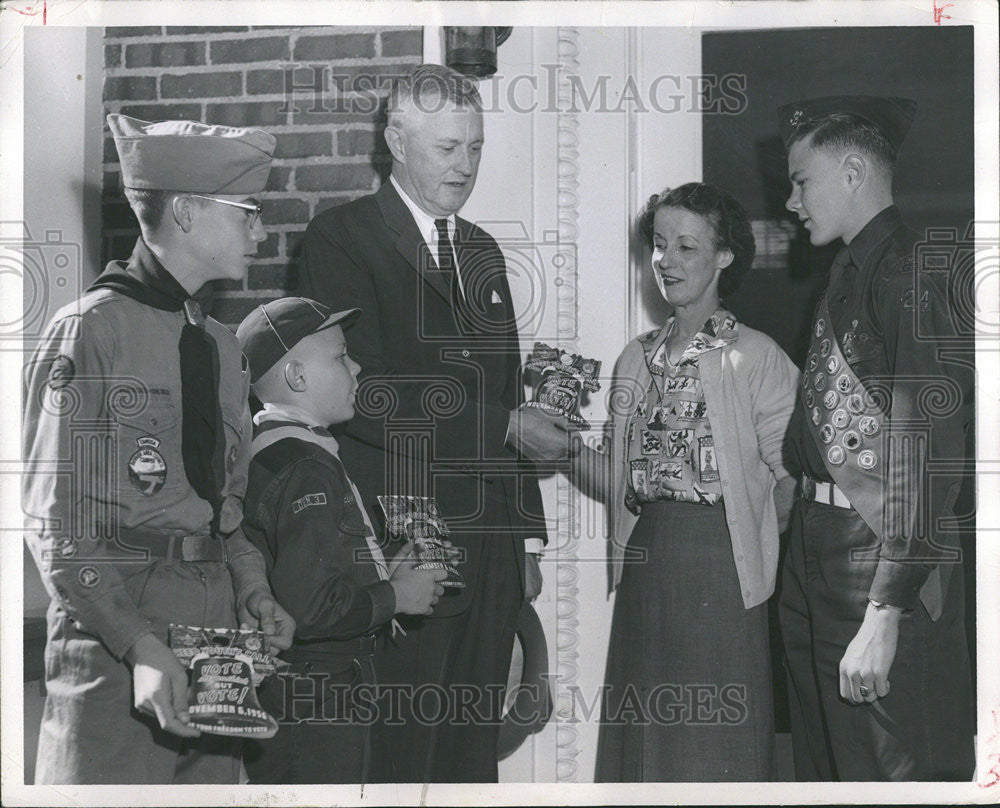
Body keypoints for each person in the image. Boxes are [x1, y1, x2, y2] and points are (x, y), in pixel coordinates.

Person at [297, 63, 565, 782]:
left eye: (476, 148)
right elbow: (367, 395)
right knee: (399, 760)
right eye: (448, 149)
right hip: (403, 547)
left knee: (472, 763)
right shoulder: (339, 240)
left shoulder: (480, 249)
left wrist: (524, 542)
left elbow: (506, 385)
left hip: (492, 556)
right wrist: (505, 427)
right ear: (395, 141)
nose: (466, 166)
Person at [22, 114, 296, 784]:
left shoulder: (223, 348)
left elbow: (222, 514)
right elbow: (57, 526)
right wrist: (138, 645)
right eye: (247, 212)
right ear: (188, 211)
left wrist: (256, 593)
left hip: (216, 646)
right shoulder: (91, 332)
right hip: (117, 646)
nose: (259, 231)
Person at [523, 182, 799, 781]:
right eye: (658, 244)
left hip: (722, 571)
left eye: (686, 247)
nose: (666, 261)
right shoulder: (634, 358)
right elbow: (619, 481)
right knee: (648, 747)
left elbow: (791, 477)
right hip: (647, 563)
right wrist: (565, 448)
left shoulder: (757, 355)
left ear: (724, 257)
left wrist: (755, 551)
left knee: (713, 746)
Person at [777, 95, 975, 781]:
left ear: (854, 171)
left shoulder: (913, 271)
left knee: (890, 767)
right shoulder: (846, 273)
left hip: (877, 554)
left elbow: (926, 451)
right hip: (816, 547)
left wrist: (886, 607)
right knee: (828, 765)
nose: (792, 201)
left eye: (801, 181)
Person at [235, 297, 450, 783]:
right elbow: (311, 608)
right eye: (339, 356)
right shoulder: (307, 466)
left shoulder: (286, 450)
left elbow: (312, 571)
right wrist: (397, 596)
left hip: (309, 689)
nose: (356, 367)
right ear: (296, 376)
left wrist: (386, 572)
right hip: (320, 692)